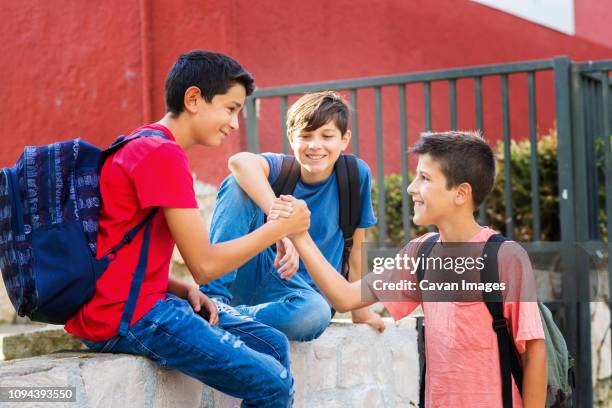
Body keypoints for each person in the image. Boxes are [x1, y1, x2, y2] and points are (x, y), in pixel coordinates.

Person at [65, 50, 311, 408]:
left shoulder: (140, 141)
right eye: (230, 108)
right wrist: (279, 228)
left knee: (272, 344)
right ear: (194, 99)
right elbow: (206, 265)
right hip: (129, 316)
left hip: (138, 302)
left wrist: (178, 288)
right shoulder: (162, 155)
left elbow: (115, 246)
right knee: (272, 384)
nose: (235, 124)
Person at [271, 131, 547, 407]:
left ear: (461, 193)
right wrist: (300, 235)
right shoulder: (421, 254)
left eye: (425, 178)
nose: (411, 188)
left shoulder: (505, 258)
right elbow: (345, 297)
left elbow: (534, 352)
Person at [200, 91, 384, 341]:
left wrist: (361, 312)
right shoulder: (281, 169)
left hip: (302, 298)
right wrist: (280, 227)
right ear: (291, 138)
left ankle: (226, 317)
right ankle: (213, 299)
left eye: (326, 136)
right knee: (237, 184)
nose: (314, 145)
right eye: (306, 136)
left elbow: (356, 246)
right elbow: (239, 162)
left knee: (315, 313)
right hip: (257, 269)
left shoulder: (354, 175)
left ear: (344, 140)